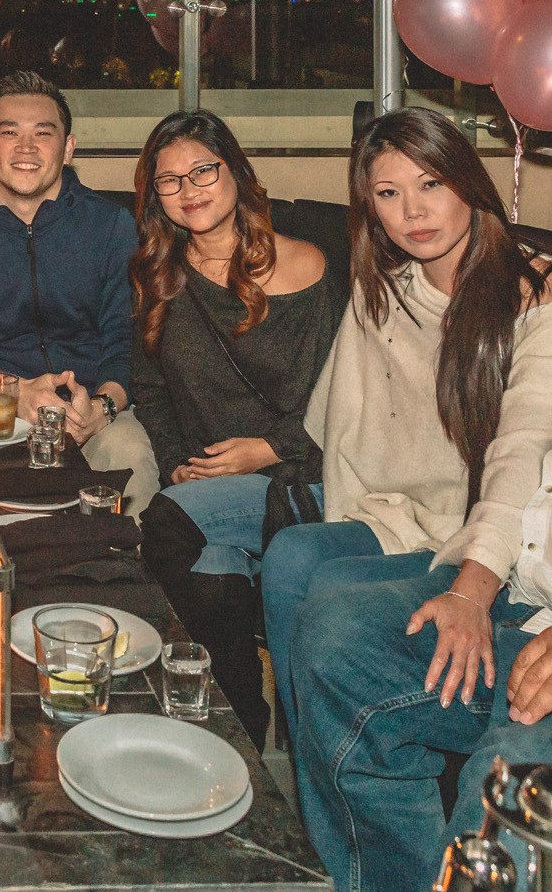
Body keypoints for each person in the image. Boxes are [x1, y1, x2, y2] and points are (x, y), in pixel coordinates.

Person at [279, 108, 552, 891]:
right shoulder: (385, 294)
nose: (413, 211)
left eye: (430, 184)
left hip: (503, 573)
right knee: (330, 626)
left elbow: (515, 443)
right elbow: (352, 429)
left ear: (467, 183)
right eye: (389, 193)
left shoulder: (533, 296)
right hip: (522, 582)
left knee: (505, 785)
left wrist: (471, 584)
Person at [127, 110, 343, 749]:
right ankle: (243, 734)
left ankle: (258, 727)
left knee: (165, 525)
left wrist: (267, 449)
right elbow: (152, 393)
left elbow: (346, 401)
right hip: (209, 492)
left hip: (305, 475)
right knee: (210, 569)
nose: (188, 190)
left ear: (236, 172)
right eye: (170, 181)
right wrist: (175, 462)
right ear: (156, 197)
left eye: (203, 171)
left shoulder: (305, 265)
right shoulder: (158, 276)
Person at [0, 70, 160, 517]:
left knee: (131, 460)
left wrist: (102, 407)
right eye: (10, 133)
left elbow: (124, 338)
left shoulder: (110, 226)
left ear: (68, 148)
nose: (26, 148)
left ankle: (130, 560)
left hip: (91, 405)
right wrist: (15, 394)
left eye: (43, 134)